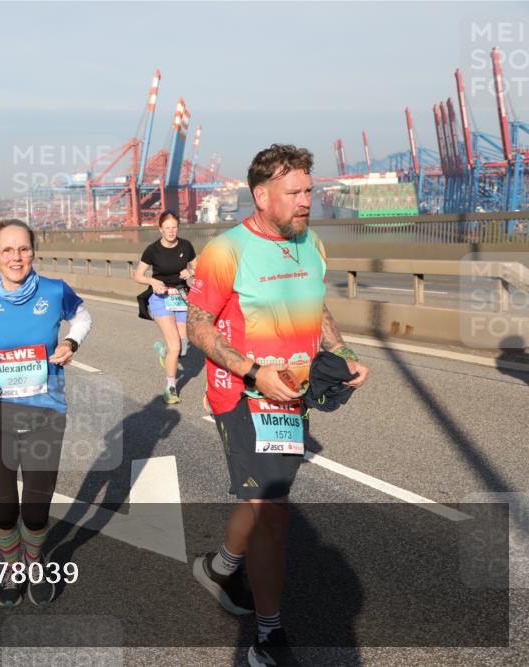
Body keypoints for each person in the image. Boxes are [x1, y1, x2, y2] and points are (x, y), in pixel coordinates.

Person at [186, 144, 370, 667]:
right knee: (273, 513)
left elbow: (318, 304)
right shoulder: (226, 250)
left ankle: (221, 567)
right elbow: (197, 324)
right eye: (295, 193)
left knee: (266, 497)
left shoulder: (309, 242)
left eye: (310, 190)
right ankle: (268, 635)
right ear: (262, 196)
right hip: (242, 394)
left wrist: (344, 352)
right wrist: (253, 371)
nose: (307, 201)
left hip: (294, 394)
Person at [0, 220, 92, 608]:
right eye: (8, 250)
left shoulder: (53, 290)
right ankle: (12, 566)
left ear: (34, 251)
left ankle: (35, 563)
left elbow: (83, 316)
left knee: (35, 508)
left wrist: (71, 341)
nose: (17, 257)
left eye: (24, 249)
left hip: (45, 413)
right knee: (3, 505)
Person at [134, 209, 197, 405]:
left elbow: (200, 267)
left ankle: (164, 351)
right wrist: (152, 281)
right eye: (167, 228)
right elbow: (138, 275)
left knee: (183, 346)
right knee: (175, 345)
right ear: (160, 229)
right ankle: (170, 387)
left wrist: (191, 272)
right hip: (160, 298)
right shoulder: (153, 250)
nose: (171, 231)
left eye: (174, 227)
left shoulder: (186, 246)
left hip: (179, 296)